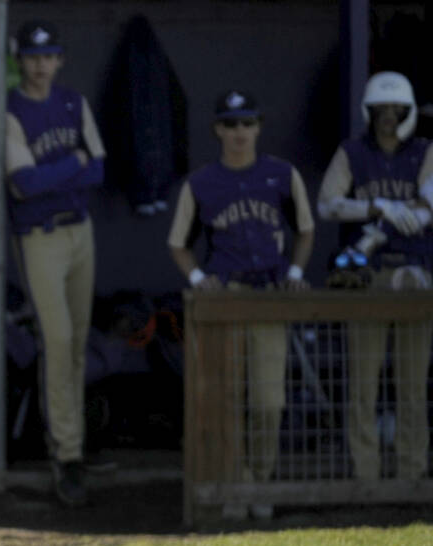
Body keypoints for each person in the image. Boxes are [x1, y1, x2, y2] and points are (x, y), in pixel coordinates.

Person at [167, 89, 314, 519]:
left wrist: (295, 274)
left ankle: (261, 482)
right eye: (231, 124)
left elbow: (305, 229)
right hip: (226, 299)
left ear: (258, 127)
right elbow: (177, 244)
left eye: (247, 123)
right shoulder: (201, 183)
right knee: (226, 397)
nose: (239, 132)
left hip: (269, 296)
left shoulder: (282, 175)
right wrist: (198, 278)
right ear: (217, 129)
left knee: (269, 400)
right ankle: (235, 484)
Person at [5, 20, 106, 507]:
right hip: (40, 238)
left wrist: (60, 175)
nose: (40, 65)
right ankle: (65, 454)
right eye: (32, 56)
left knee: (79, 343)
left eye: (48, 56)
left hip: (80, 230)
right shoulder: (11, 108)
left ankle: (76, 445)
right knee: (59, 340)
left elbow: (101, 168)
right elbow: (23, 184)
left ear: (59, 59)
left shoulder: (73, 103)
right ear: (19, 60)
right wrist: (73, 166)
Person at [317, 71, 433, 481]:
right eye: (380, 110)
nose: (388, 117)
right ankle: (365, 475)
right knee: (363, 383)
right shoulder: (352, 152)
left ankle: (411, 474)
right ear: (369, 112)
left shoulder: (424, 151)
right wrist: (376, 208)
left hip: (415, 276)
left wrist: (415, 213)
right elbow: (327, 205)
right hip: (365, 276)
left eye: (395, 110)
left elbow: (427, 207)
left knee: (412, 385)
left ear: (408, 111)